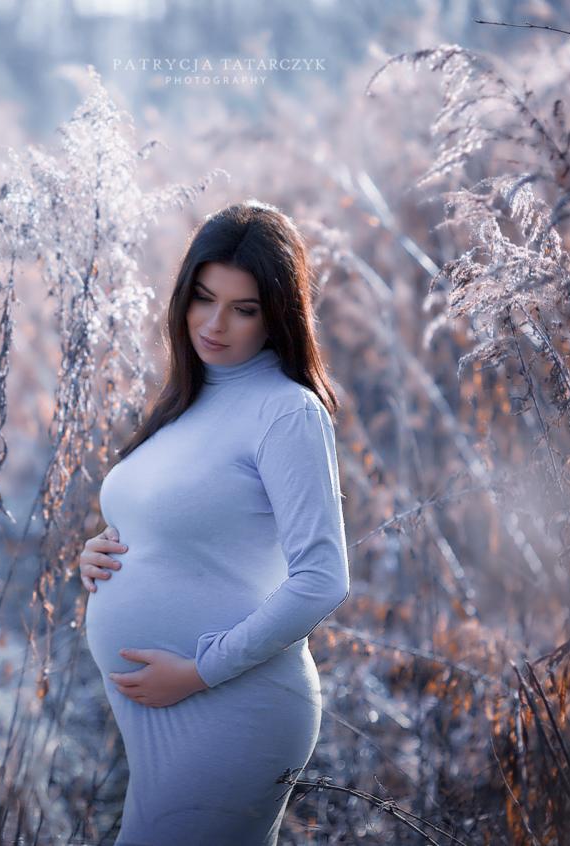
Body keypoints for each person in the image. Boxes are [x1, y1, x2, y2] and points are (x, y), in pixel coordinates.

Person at [79, 200, 351, 845]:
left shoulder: (286, 413)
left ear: (278, 314)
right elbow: (180, 527)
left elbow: (322, 580)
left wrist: (199, 672)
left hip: (234, 704)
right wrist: (102, 552)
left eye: (244, 308)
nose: (215, 323)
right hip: (166, 714)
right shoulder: (188, 401)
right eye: (203, 298)